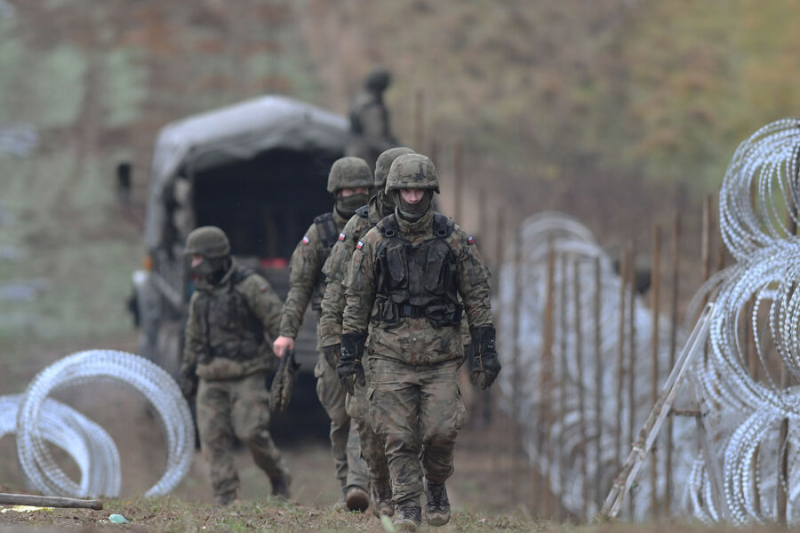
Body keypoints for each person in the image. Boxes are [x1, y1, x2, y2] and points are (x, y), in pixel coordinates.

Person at [339, 154, 501, 530]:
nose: (413, 198)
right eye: (407, 190)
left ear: (431, 192)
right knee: (396, 436)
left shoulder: (455, 239)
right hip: (388, 356)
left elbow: (476, 295)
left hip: (440, 358)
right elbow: (357, 300)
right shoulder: (374, 241)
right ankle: (409, 506)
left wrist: (485, 349)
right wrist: (349, 353)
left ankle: (437, 485)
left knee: (441, 431)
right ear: (395, 192)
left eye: (420, 190)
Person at [318, 146, 415, 517]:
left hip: (411, 342)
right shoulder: (359, 226)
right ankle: (366, 487)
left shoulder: (432, 229)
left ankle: (401, 495)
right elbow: (336, 289)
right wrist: (334, 339)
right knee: (362, 415)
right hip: (366, 338)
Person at [272, 157, 372, 511]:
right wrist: (287, 334)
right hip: (331, 335)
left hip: (374, 336)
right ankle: (350, 488)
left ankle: (363, 485)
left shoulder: (381, 229)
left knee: (366, 411)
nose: (356, 195)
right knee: (340, 414)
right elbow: (298, 289)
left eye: (363, 189)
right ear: (336, 191)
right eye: (350, 190)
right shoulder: (320, 234)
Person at [179, 226, 290, 505]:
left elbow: (277, 318)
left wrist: (285, 352)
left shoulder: (248, 285)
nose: (194, 264)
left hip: (247, 371)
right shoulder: (199, 295)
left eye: (198, 258)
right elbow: (193, 337)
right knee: (212, 439)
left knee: (251, 432)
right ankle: (226, 498)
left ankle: (278, 474)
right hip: (210, 375)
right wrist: (188, 372)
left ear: (214, 257)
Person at [346, 65, 398, 171]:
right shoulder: (371, 106)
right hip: (367, 160)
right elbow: (376, 138)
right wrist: (396, 152)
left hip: (356, 155)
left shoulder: (360, 98)